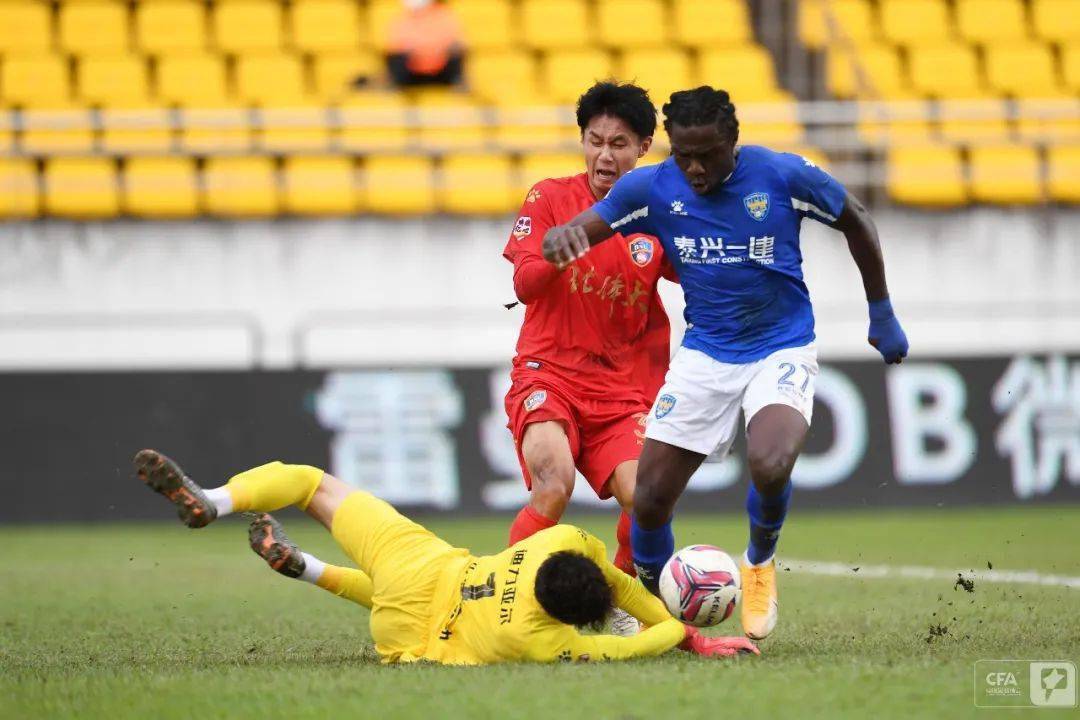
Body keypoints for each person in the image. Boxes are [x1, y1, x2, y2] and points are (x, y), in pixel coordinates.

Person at [540, 86, 910, 641]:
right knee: (651, 498)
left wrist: (880, 311)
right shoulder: (653, 187)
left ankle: (758, 563)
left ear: (731, 142)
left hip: (780, 345)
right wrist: (563, 239)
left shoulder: (782, 177)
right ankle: (660, 614)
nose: (693, 167)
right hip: (706, 354)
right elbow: (592, 224)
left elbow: (857, 219)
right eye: (682, 154)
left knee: (770, 460)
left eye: (706, 154)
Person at [132, 449, 758, 665]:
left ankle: (213, 501)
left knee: (308, 483)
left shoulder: (558, 542)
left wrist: (663, 623)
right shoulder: (543, 643)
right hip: (407, 637)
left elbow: (622, 590)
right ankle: (304, 567)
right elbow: (636, 641)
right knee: (399, 604)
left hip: (426, 566)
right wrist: (690, 639)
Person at [502, 81, 677, 635]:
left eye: (620, 143)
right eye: (595, 140)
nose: (605, 154)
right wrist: (561, 249)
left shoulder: (660, 214)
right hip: (548, 372)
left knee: (645, 499)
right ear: (582, 141)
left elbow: (703, 274)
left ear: (644, 147)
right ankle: (510, 602)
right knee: (554, 482)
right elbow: (526, 283)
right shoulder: (550, 197)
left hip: (620, 390)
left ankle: (621, 606)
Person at [384, 0, 465, 88]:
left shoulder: (444, 15)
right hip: (410, 70)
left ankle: (458, 85)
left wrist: (428, 53)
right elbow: (398, 47)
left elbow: (454, 44)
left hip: (441, 68)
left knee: (456, 54)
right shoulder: (401, 19)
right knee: (395, 59)